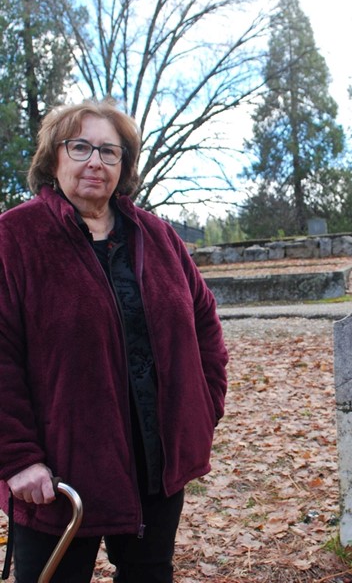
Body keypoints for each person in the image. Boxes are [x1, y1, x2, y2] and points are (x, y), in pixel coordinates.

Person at [0, 99, 229, 582]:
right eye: (80, 147)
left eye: (109, 151)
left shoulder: (158, 236)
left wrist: (202, 408)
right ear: (53, 157)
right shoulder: (13, 239)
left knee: (149, 574)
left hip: (154, 461)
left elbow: (205, 322)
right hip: (57, 473)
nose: (94, 162)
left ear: (123, 166)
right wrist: (18, 457)